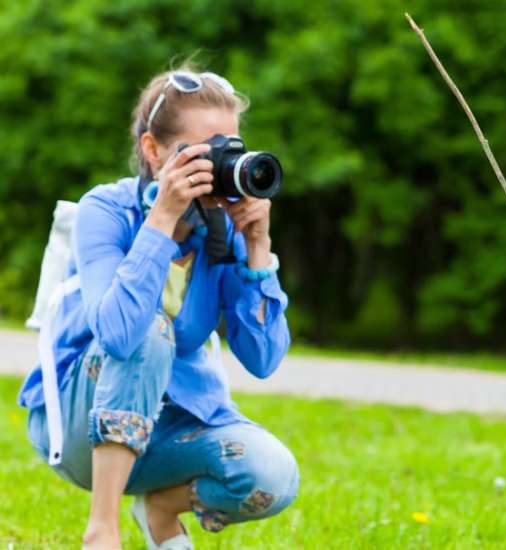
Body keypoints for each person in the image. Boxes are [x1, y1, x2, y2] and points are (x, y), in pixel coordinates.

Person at [18, 66, 299, 549]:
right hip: (82, 425)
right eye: (202, 152)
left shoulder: (223, 227)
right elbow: (118, 335)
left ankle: (162, 507)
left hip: (169, 431)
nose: (218, 165)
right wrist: (162, 219)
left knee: (271, 476)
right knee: (148, 329)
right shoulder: (104, 211)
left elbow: (264, 360)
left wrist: (257, 248)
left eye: (228, 149)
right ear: (153, 150)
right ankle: (102, 531)